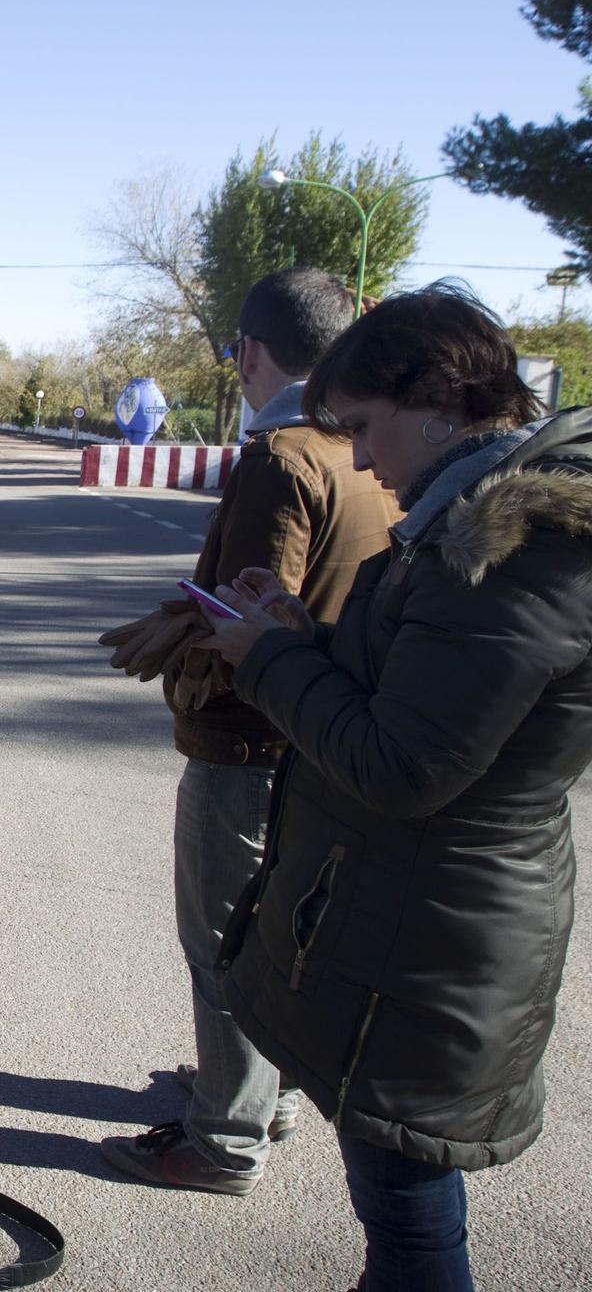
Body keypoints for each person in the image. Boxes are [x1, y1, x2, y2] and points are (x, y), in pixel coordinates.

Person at [199, 284, 579, 1291]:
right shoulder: (472, 522)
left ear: (435, 395)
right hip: (421, 919)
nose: (359, 460)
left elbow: (399, 762)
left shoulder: (509, 549)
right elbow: (411, 687)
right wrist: (299, 636)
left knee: (409, 1227)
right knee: (402, 1212)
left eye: (363, 428)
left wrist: (267, 665)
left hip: (434, 939)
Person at [96, 269, 397, 1195]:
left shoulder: (282, 457)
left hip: (249, 741)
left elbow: (260, 605)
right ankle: (265, 1095)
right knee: (276, 939)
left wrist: (190, 630)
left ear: (252, 353)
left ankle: (224, 1136)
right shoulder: (364, 447)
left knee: (222, 938)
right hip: (321, 733)